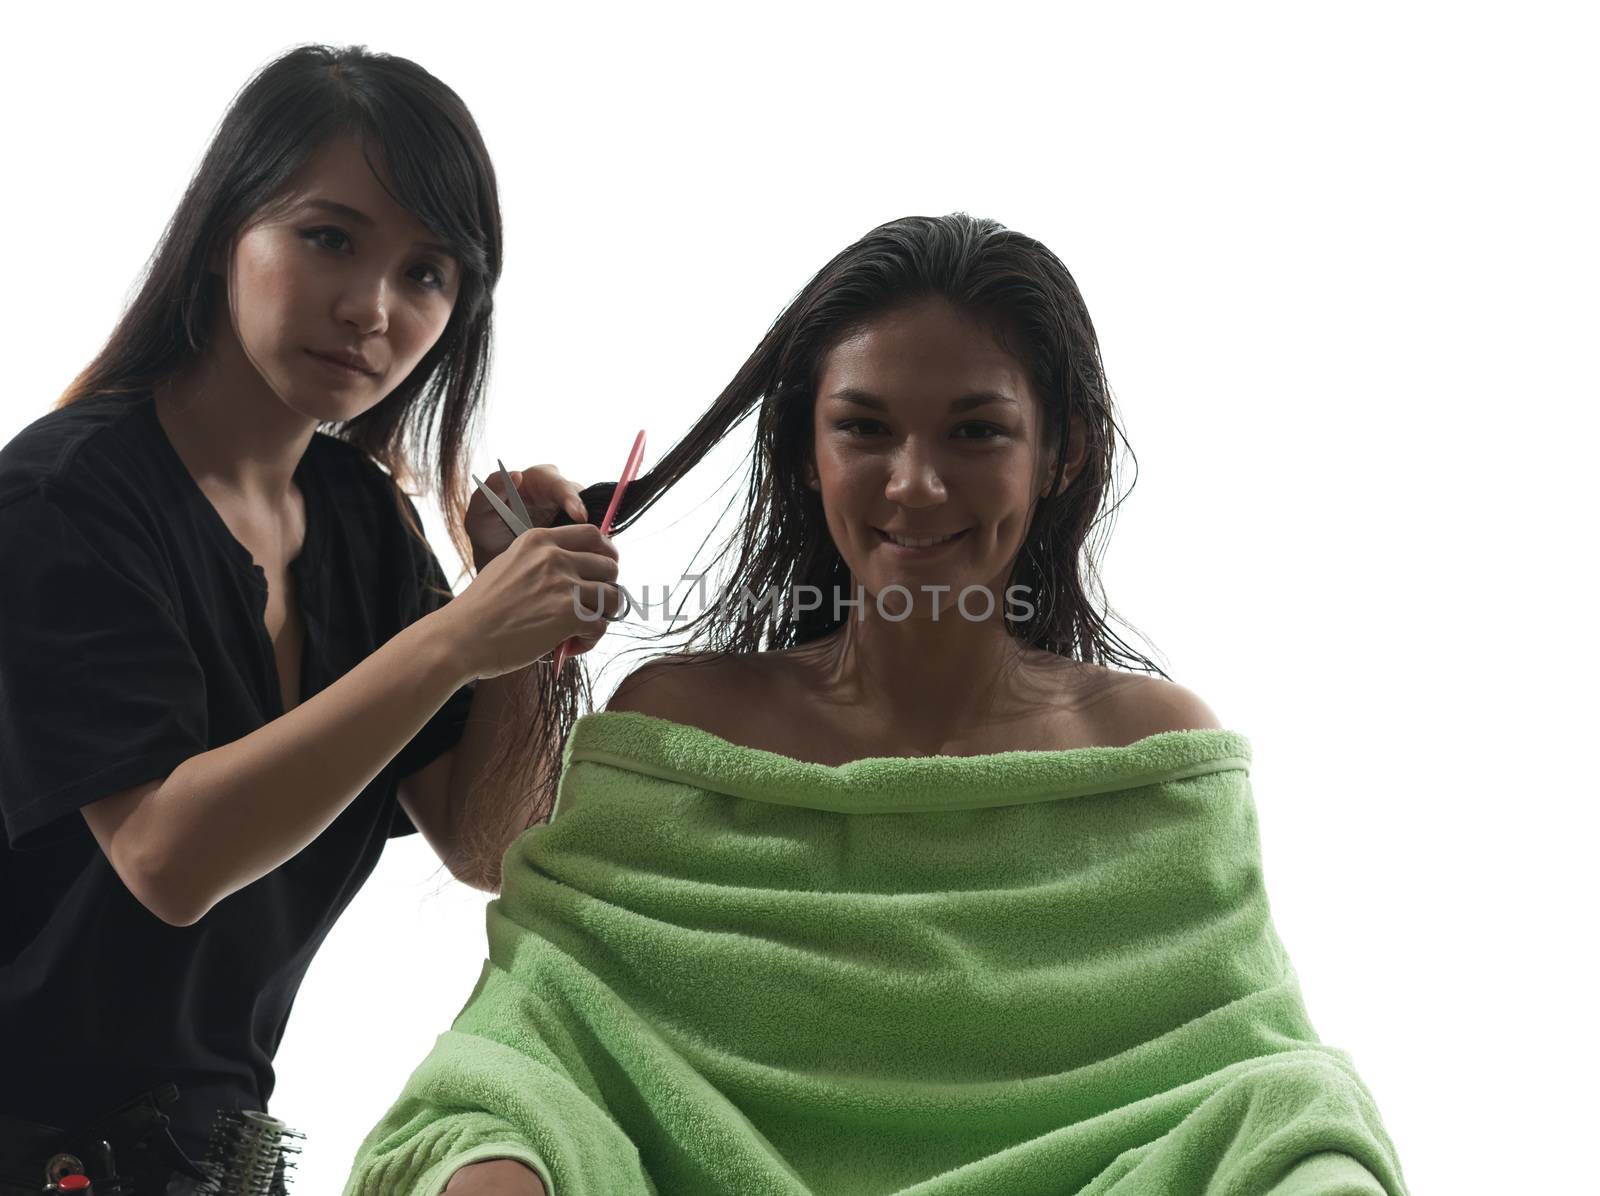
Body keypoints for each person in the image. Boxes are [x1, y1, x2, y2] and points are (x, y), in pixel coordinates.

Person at [345, 214, 1410, 1195]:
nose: (914, 484)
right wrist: (509, 631)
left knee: (1308, 1119)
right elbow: (535, 1034)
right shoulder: (679, 723)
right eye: (864, 428)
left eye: (974, 433)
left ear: (1062, 453)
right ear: (808, 452)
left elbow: (1254, 1071)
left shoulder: (1149, 746)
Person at [0, 44, 624, 1196]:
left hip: (213, 1154)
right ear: (226, 228)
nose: (371, 309)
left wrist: (516, 627)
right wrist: (456, 635)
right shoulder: (61, 497)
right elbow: (168, 856)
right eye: (328, 238)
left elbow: (485, 841)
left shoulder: (358, 522)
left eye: (428, 273)